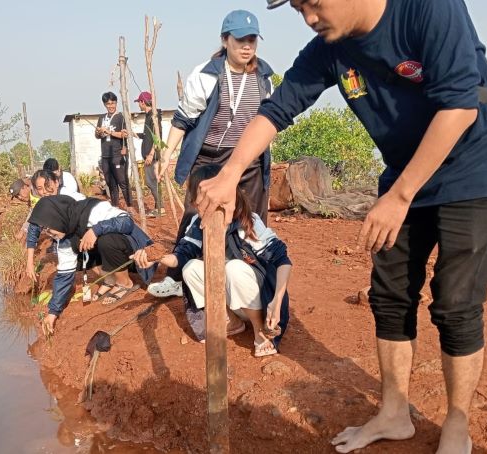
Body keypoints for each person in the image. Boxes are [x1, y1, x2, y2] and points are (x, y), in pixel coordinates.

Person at [197, 0, 487, 452]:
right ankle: (393, 412)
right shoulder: (330, 48)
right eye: (297, 7)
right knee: (389, 295)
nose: (308, 16)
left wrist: (400, 197)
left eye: (313, 2)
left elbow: (459, 107)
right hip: (405, 167)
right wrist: (229, 175)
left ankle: (457, 426)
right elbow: (277, 109)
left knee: (456, 303)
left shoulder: (428, 8)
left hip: (473, 162)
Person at [148, 9, 275, 299]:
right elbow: (183, 119)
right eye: (240, 39)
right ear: (225, 40)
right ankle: (177, 278)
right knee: (195, 216)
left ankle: (255, 280)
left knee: (251, 219)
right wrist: (166, 155)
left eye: (252, 40)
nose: (247, 46)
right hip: (208, 158)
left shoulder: (264, 77)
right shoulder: (206, 75)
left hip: (247, 160)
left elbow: (269, 121)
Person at [134, 164, 292, 355]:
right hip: (230, 298)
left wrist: (276, 300)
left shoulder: (247, 221)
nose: (208, 203)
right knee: (191, 268)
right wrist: (157, 257)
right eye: (202, 199)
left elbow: (282, 259)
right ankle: (231, 320)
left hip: (257, 301)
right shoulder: (197, 224)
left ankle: (259, 330)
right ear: (194, 201)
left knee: (234, 268)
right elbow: (183, 255)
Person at [28, 195, 156, 334]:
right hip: (113, 256)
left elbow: (127, 222)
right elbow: (64, 275)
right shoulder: (65, 237)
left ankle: (124, 284)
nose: (49, 234)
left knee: (106, 240)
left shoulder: (92, 209)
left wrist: (96, 230)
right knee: (77, 253)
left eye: (49, 230)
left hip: (134, 253)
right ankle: (110, 280)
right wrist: (53, 312)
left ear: (56, 219)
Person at [96, 92, 132, 208]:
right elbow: (97, 136)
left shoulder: (121, 117)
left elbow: (125, 135)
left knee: (122, 181)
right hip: (105, 155)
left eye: (113, 103)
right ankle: (115, 206)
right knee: (110, 183)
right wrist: (99, 132)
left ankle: (130, 206)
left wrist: (109, 132)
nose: (111, 106)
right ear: (104, 104)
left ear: (116, 103)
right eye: (108, 104)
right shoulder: (101, 118)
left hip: (118, 154)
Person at [133, 91, 164, 217]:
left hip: (152, 155)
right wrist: (131, 133)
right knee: (153, 181)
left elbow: (157, 137)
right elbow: (147, 136)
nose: (138, 105)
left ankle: (160, 207)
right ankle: (159, 207)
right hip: (149, 154)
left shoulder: (154, 117)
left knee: (151, 181)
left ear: (142, 102)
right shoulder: (148, 116)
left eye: (139, 102)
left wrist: (151, 154)